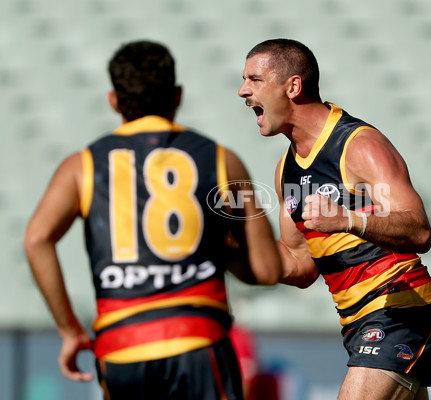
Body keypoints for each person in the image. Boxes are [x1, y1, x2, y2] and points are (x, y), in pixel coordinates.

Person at [23, 40, 282, 400]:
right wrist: (208, 247)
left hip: (122, 347)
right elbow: (268, 270)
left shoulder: (81, 166)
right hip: (197, 340)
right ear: (177, 96)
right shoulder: (222, 160)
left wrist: (69, 330)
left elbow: (36, 239)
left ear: (113, 101)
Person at [238, 38, 431, 400]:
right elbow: (299, 264)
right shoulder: (286, 171)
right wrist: (229, 246)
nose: (242, 91)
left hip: (399, 310)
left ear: (293, 86)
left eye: (254, 80)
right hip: (357, 325)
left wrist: (351, 220)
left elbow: (419, 228)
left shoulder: (359, 145)